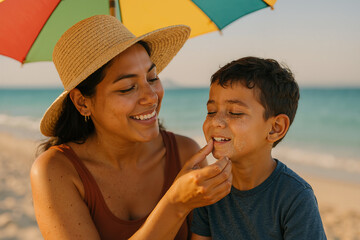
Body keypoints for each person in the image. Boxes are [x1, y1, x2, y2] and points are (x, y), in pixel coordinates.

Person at [30, 15, 232, 240]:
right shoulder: (56, 171)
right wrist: (176, 203)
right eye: (127, 88)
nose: (151, 96)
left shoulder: (186, 153)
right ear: (82, 102)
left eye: (152, 78)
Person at [191, 57, 327, 239]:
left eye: (235, 113)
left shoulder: (295, 198)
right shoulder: (209, 189)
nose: (216, 121)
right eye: (211, 111)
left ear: (275, 128)